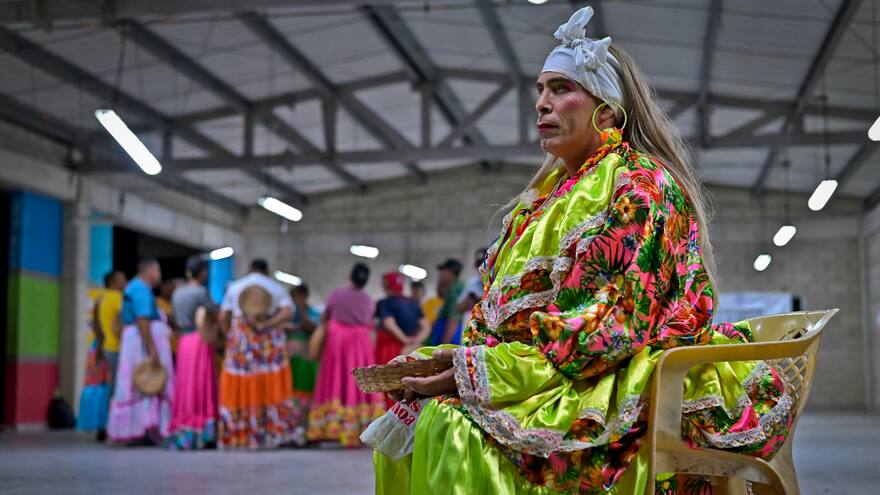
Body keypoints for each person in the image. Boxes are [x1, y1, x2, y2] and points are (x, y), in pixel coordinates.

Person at [371, 7, 794, 494]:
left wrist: (478, 372)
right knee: (414, 407)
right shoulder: (551, 196)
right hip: (553, 365)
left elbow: (614, 326)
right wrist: (462, 361)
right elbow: (503, 311)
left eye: (561, 88)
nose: (542, 104)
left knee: (454, 428)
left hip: (608, 369)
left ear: (607, 110)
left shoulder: (640, 187)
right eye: (540, 90)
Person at [217, 258, 303, 449]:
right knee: (270, 382)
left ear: (250, 269)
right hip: (267, 342)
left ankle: (240, 433)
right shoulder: (276, 287)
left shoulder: (235, 286)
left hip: (241, 340)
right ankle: (271, 433)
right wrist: (268, 324)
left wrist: (229, 336)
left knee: (239, 382)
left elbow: (223, 316)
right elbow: (287, 312)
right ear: (267, 270)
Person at [307, 263, 384, 447]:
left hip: (338, 341)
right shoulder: (368, 300)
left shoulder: (336, 294)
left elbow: (325, 317)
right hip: (360, 343)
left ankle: (331, 428)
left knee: (335, 379)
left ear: (350, 275)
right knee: (357, 381)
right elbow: (370, 322)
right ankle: (361, 427)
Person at [107, 259, 175, 445]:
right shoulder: (140, 289)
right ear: (150, 270)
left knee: (137, 384)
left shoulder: (134, 288)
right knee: (144, 382)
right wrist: (152, 349)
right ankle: (144, 428)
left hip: (134, 341)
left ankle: (141, 427)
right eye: (158, 270)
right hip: (140, 342)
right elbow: (142, 319)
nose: (159, 275)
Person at [167, 256, 220, 449]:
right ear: (203, 272)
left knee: (185, 385)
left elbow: (173, 318)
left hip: (183, 341)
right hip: (200, 340)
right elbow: (214, 312)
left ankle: (184, 430)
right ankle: (204, 431)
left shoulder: (177, 292)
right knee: (201, 383)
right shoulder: (201, 292)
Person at [375, 272, 430, 407]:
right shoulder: (412, 303)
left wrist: (404, 340)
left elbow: (389, 324)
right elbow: (425, 326)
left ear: (386, 285)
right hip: (411, 350)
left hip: (390, 348)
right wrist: (415, 341)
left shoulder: (384, 303)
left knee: (388, 384)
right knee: (407, 384)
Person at [281, 284, 321, 419]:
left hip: (306, 359)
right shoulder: (289, 315)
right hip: (291, 359)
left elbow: (311, 327)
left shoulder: (313, 313)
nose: (295, 300)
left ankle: (304, 423)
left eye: (298, 297)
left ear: (305, 297)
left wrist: (301, 309)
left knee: (305, 387)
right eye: (293, 297)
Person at [95, 271, 127, 394]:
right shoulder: (117, 297)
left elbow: (96, 325)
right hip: (117, 347)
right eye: (122, 279)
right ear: (113, 282)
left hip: (106, 347)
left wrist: (99, 347)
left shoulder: (102, 298)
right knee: (117, 388)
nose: (125, 282)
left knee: (109, 385)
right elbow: (128, 317)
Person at [428, 258, 463, 345]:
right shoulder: (451, 288)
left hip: (449, 335)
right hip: (444, 329)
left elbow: (453, 319)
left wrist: (444, 344)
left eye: (443, 271)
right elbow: (440, 294)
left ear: (450, 272)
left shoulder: (456, 291)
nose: (441, 274)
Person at [455, 248, 488, 329]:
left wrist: (478, 300)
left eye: (484, 265)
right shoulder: (472, 283)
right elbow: (459, 308)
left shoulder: (496, 283)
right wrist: (470, 299)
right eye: (478, 266)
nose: (480, 269)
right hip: (471, 331)